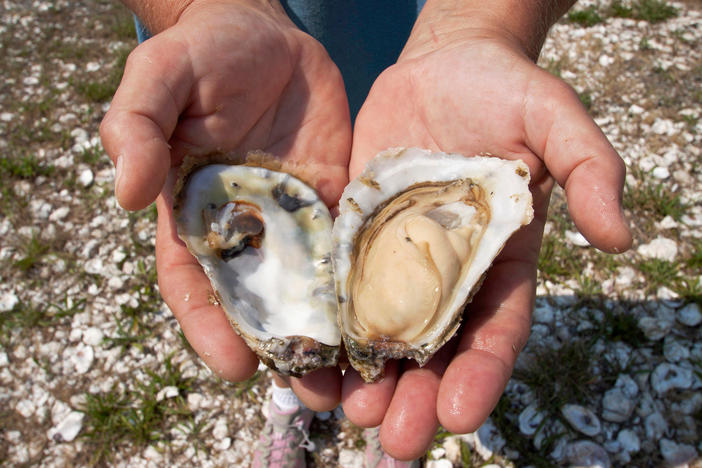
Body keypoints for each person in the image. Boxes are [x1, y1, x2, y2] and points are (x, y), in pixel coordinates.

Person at [100, 0, 633, 465]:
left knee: (344, 357)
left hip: (425, 82)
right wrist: (197, 6)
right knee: (293, 336)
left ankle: (366, 420)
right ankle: (289, 391)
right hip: (272, 100)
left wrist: (487, 19)